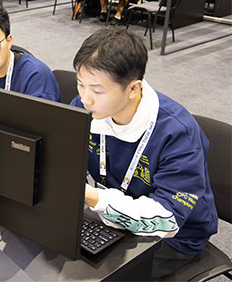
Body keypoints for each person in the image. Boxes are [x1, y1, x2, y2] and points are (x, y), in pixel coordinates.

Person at [71, 28, 217, 279]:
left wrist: (89, 196)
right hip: (111, 217)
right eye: (80, 84)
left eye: (97, 90)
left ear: (133, 88)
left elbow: (166, 219)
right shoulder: (85, 108)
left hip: (174, 237)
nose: (85, 99)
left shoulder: (177, 133)